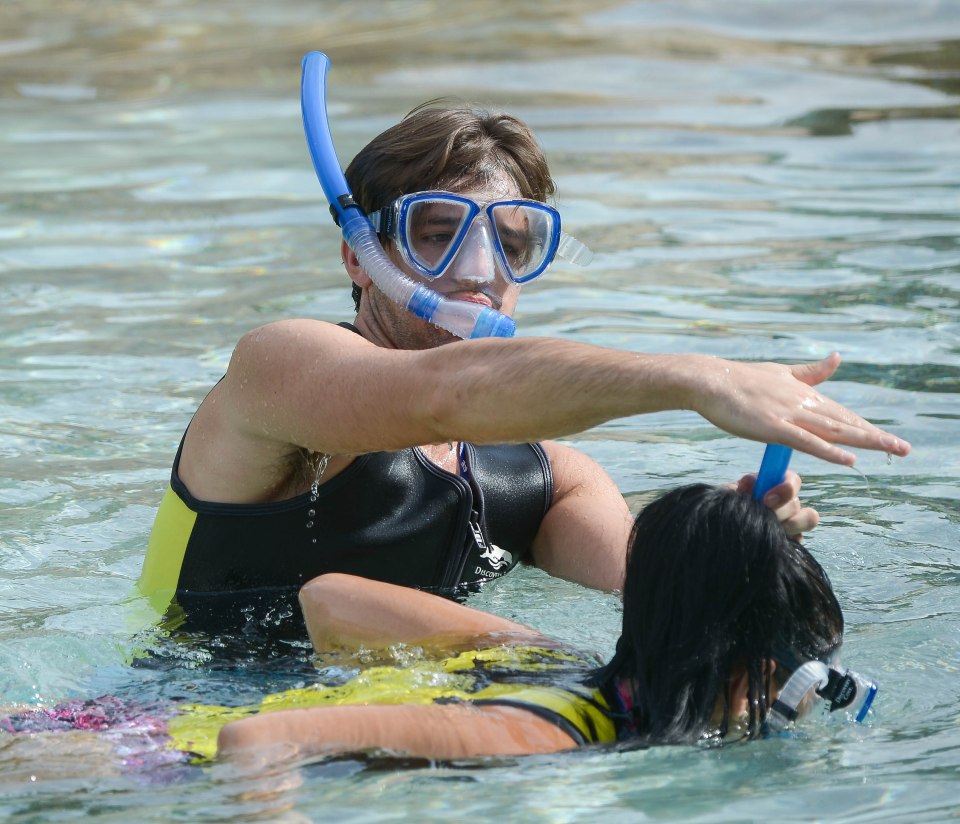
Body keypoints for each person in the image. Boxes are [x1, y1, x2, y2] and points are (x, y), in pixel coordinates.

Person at [138, 101, 910, 624]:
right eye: (436, 233)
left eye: (511, 242)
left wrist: (746, 550)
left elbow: (656, 608)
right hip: (180, 738)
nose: (478, 271)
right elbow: (443, 394)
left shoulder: (546, 480)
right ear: (360, 255)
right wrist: (695, 377)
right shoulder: (275, 369)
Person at [3, 484, 869, 767]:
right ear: (739, 665)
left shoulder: (541, 659)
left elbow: (329, 599)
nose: (788, 707)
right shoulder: (534, 734)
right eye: (792, 683)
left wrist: (724, 552)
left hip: (114, 719)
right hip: (138, 763)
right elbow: (253, 745)